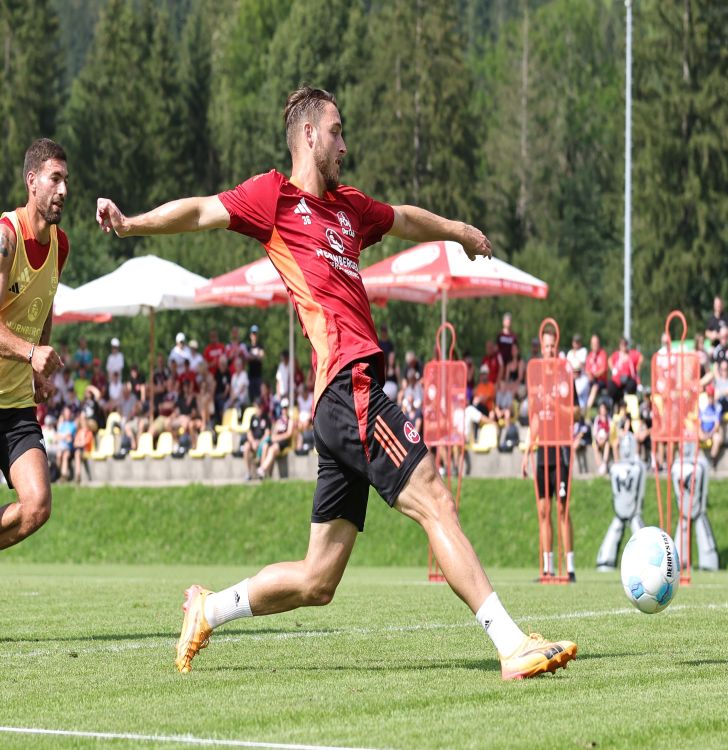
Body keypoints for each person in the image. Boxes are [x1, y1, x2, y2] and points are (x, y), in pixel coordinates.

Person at [96, 85, 576, 679]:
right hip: (349, 387)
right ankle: (510, 644)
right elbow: (199, 211)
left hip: (338, 399)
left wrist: (458, 230)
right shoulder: (273, 196)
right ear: (308, 135)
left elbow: (403, 219)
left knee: (318, 579)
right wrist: (131, 224)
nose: (345, 145)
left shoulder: (349, 206)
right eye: (338, 131)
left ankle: (207, 608)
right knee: (436, 500)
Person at [0, 138, 67, 549]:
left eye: (66, 181)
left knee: (38, 504)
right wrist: (30, 353)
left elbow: (45, 303)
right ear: (32, 181)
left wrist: (40, 368)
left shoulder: (62, 245)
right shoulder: (6, 239)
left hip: (15, 405)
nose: (63, 190)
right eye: (54, 179)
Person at [520, 327, 576, 582]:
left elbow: (574, 411)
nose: (549, 350)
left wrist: (556, 405)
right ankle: (548, 567)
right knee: (543, 511)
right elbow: (534, 417)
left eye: (553, 346)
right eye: (546, 346)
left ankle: (570, 567)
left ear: (557, 346)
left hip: (561, 447)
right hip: (542, 451)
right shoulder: (537, 378)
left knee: (562, 508)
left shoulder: (565, 374)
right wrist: (527, 450)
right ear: (541, 348)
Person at [246, 324, 265, 403]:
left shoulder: (260, 346)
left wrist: (253, 356)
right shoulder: (248, 347)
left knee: (258, 397)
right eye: (253, 334)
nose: (254, 336)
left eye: (255, 334)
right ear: (250, 335)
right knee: (251, 397)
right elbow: (248, 358)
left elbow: (261, 357)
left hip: (258, 376)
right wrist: (256, 356)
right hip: (251, 376)